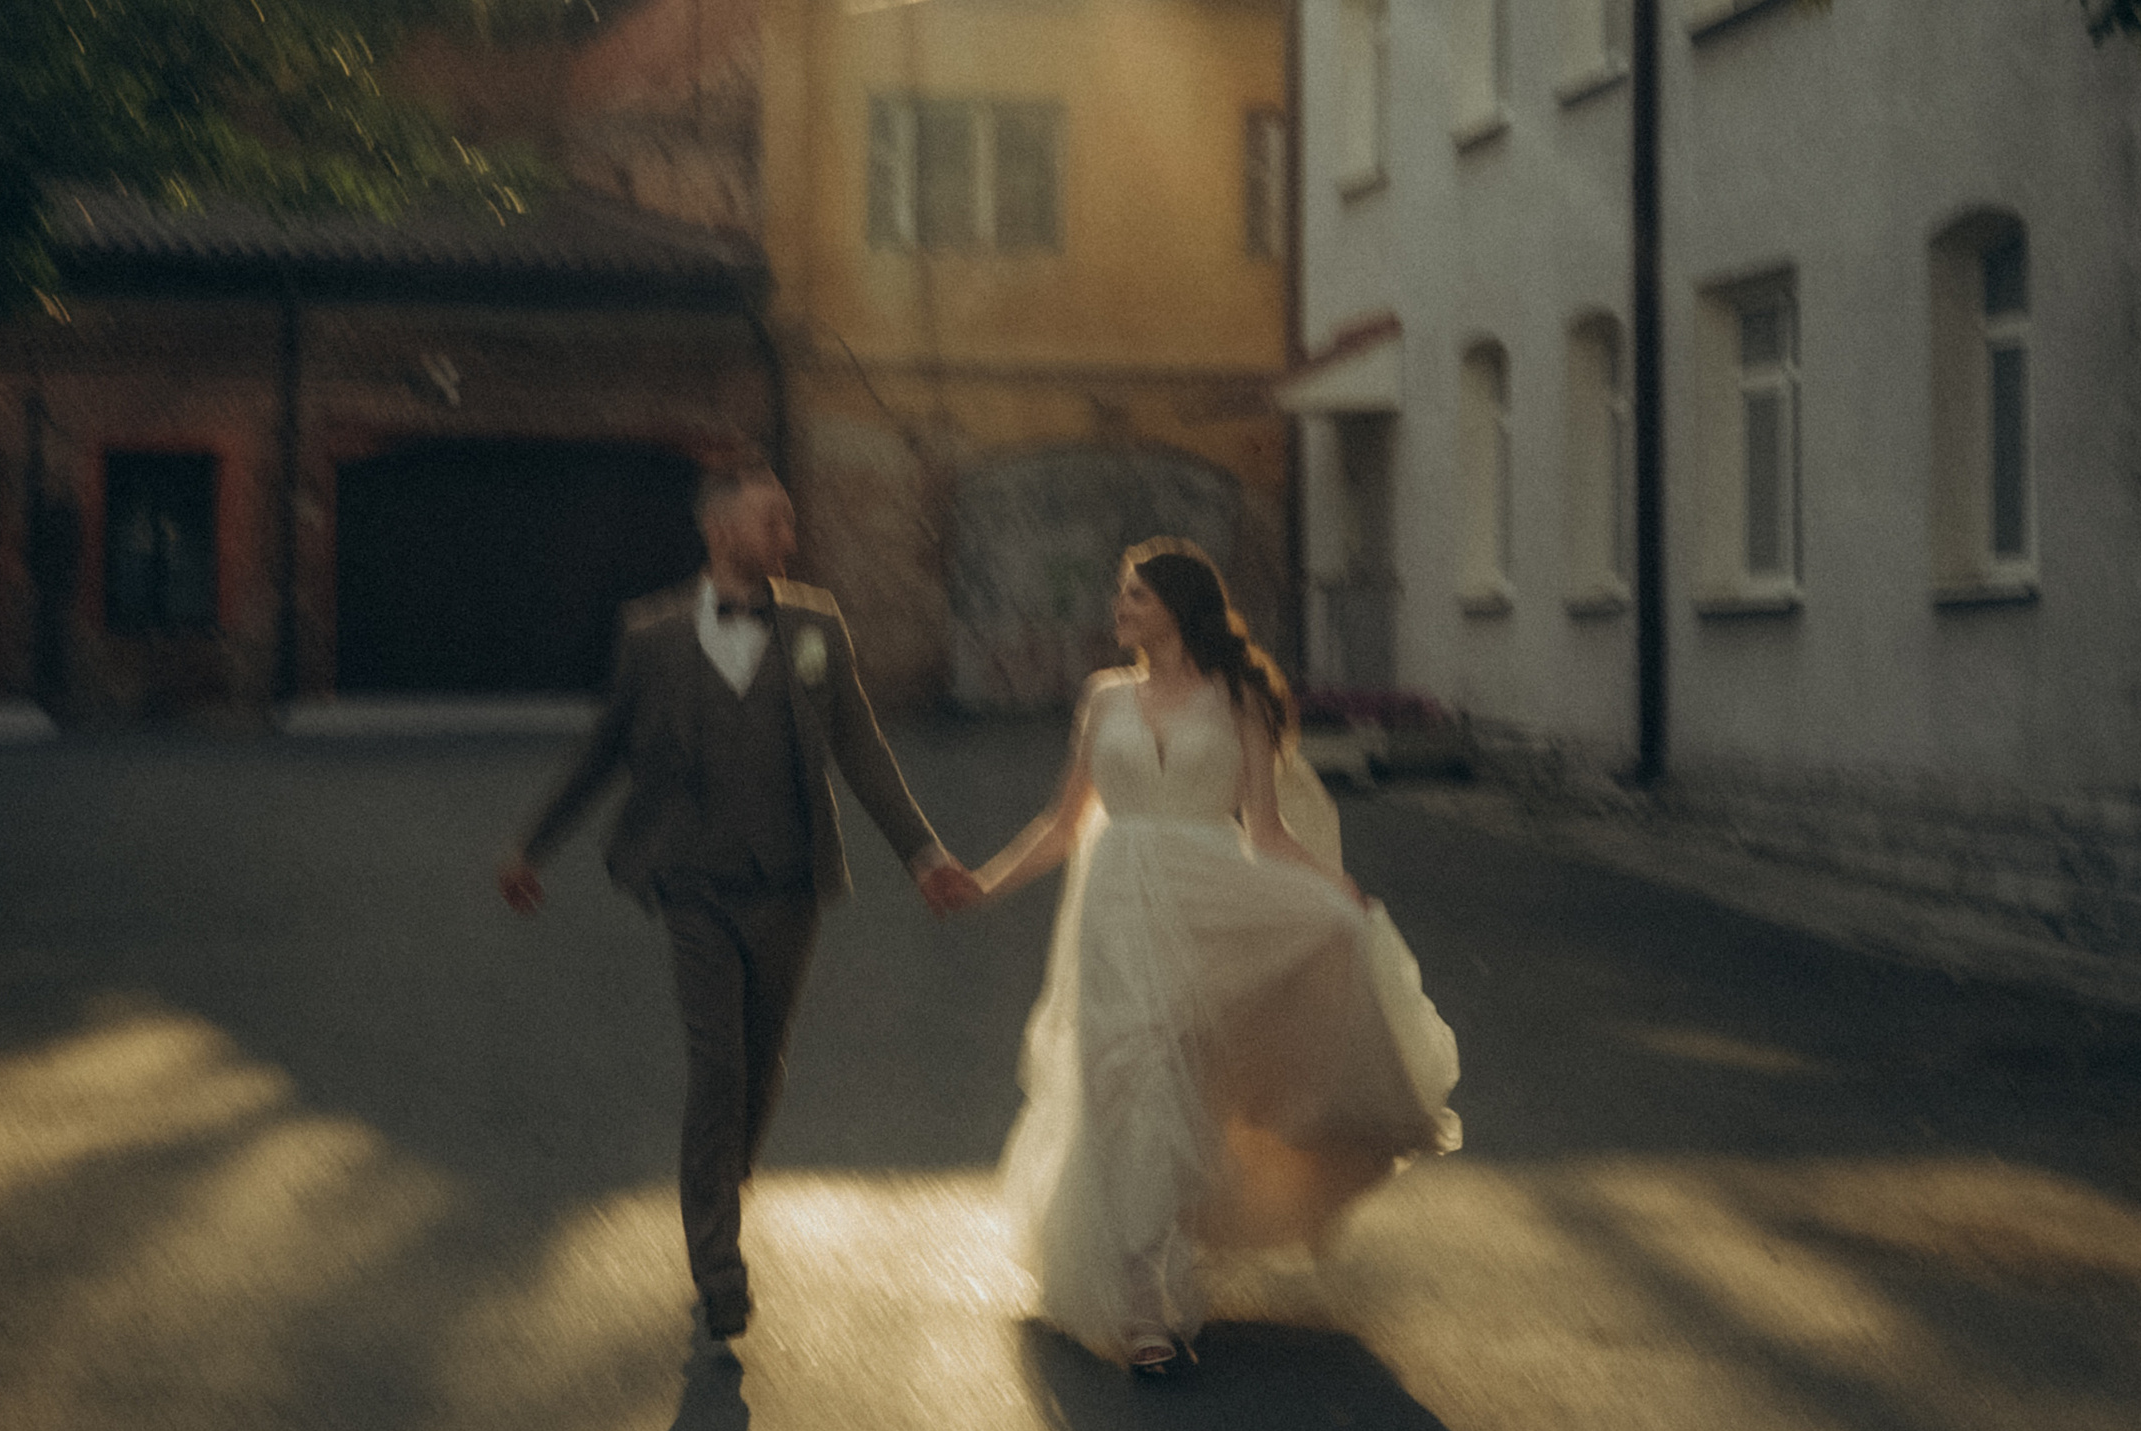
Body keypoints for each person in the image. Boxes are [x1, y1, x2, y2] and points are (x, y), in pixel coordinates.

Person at [499, 459, 980, 1342]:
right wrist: (534, 847)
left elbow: (861, 749)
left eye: (789, 523)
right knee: (716, 1067)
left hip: (788, 881)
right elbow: (602, 751)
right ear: (721, 531)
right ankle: (718, 1266)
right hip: (691, 884)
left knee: (761, 1066)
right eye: (773, 522)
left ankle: (722, 1173)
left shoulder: (814, 626)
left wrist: (924, 854)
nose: (788, 538)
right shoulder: (649, 636)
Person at [971, 538, 1460, 1374]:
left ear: (1176, 606)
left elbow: (1265, 833)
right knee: (1129, 1077)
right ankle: (1141, 1308)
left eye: (1134, 596)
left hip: (1211, 908)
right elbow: (1063, 823)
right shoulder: (1103, 697)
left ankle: (1163, 1261)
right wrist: (981, 885)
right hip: (1116, 909)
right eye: (1119, 596)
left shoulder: (1239, 697)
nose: (1118, 609)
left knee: (1187, 1079)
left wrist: (1338, 896)